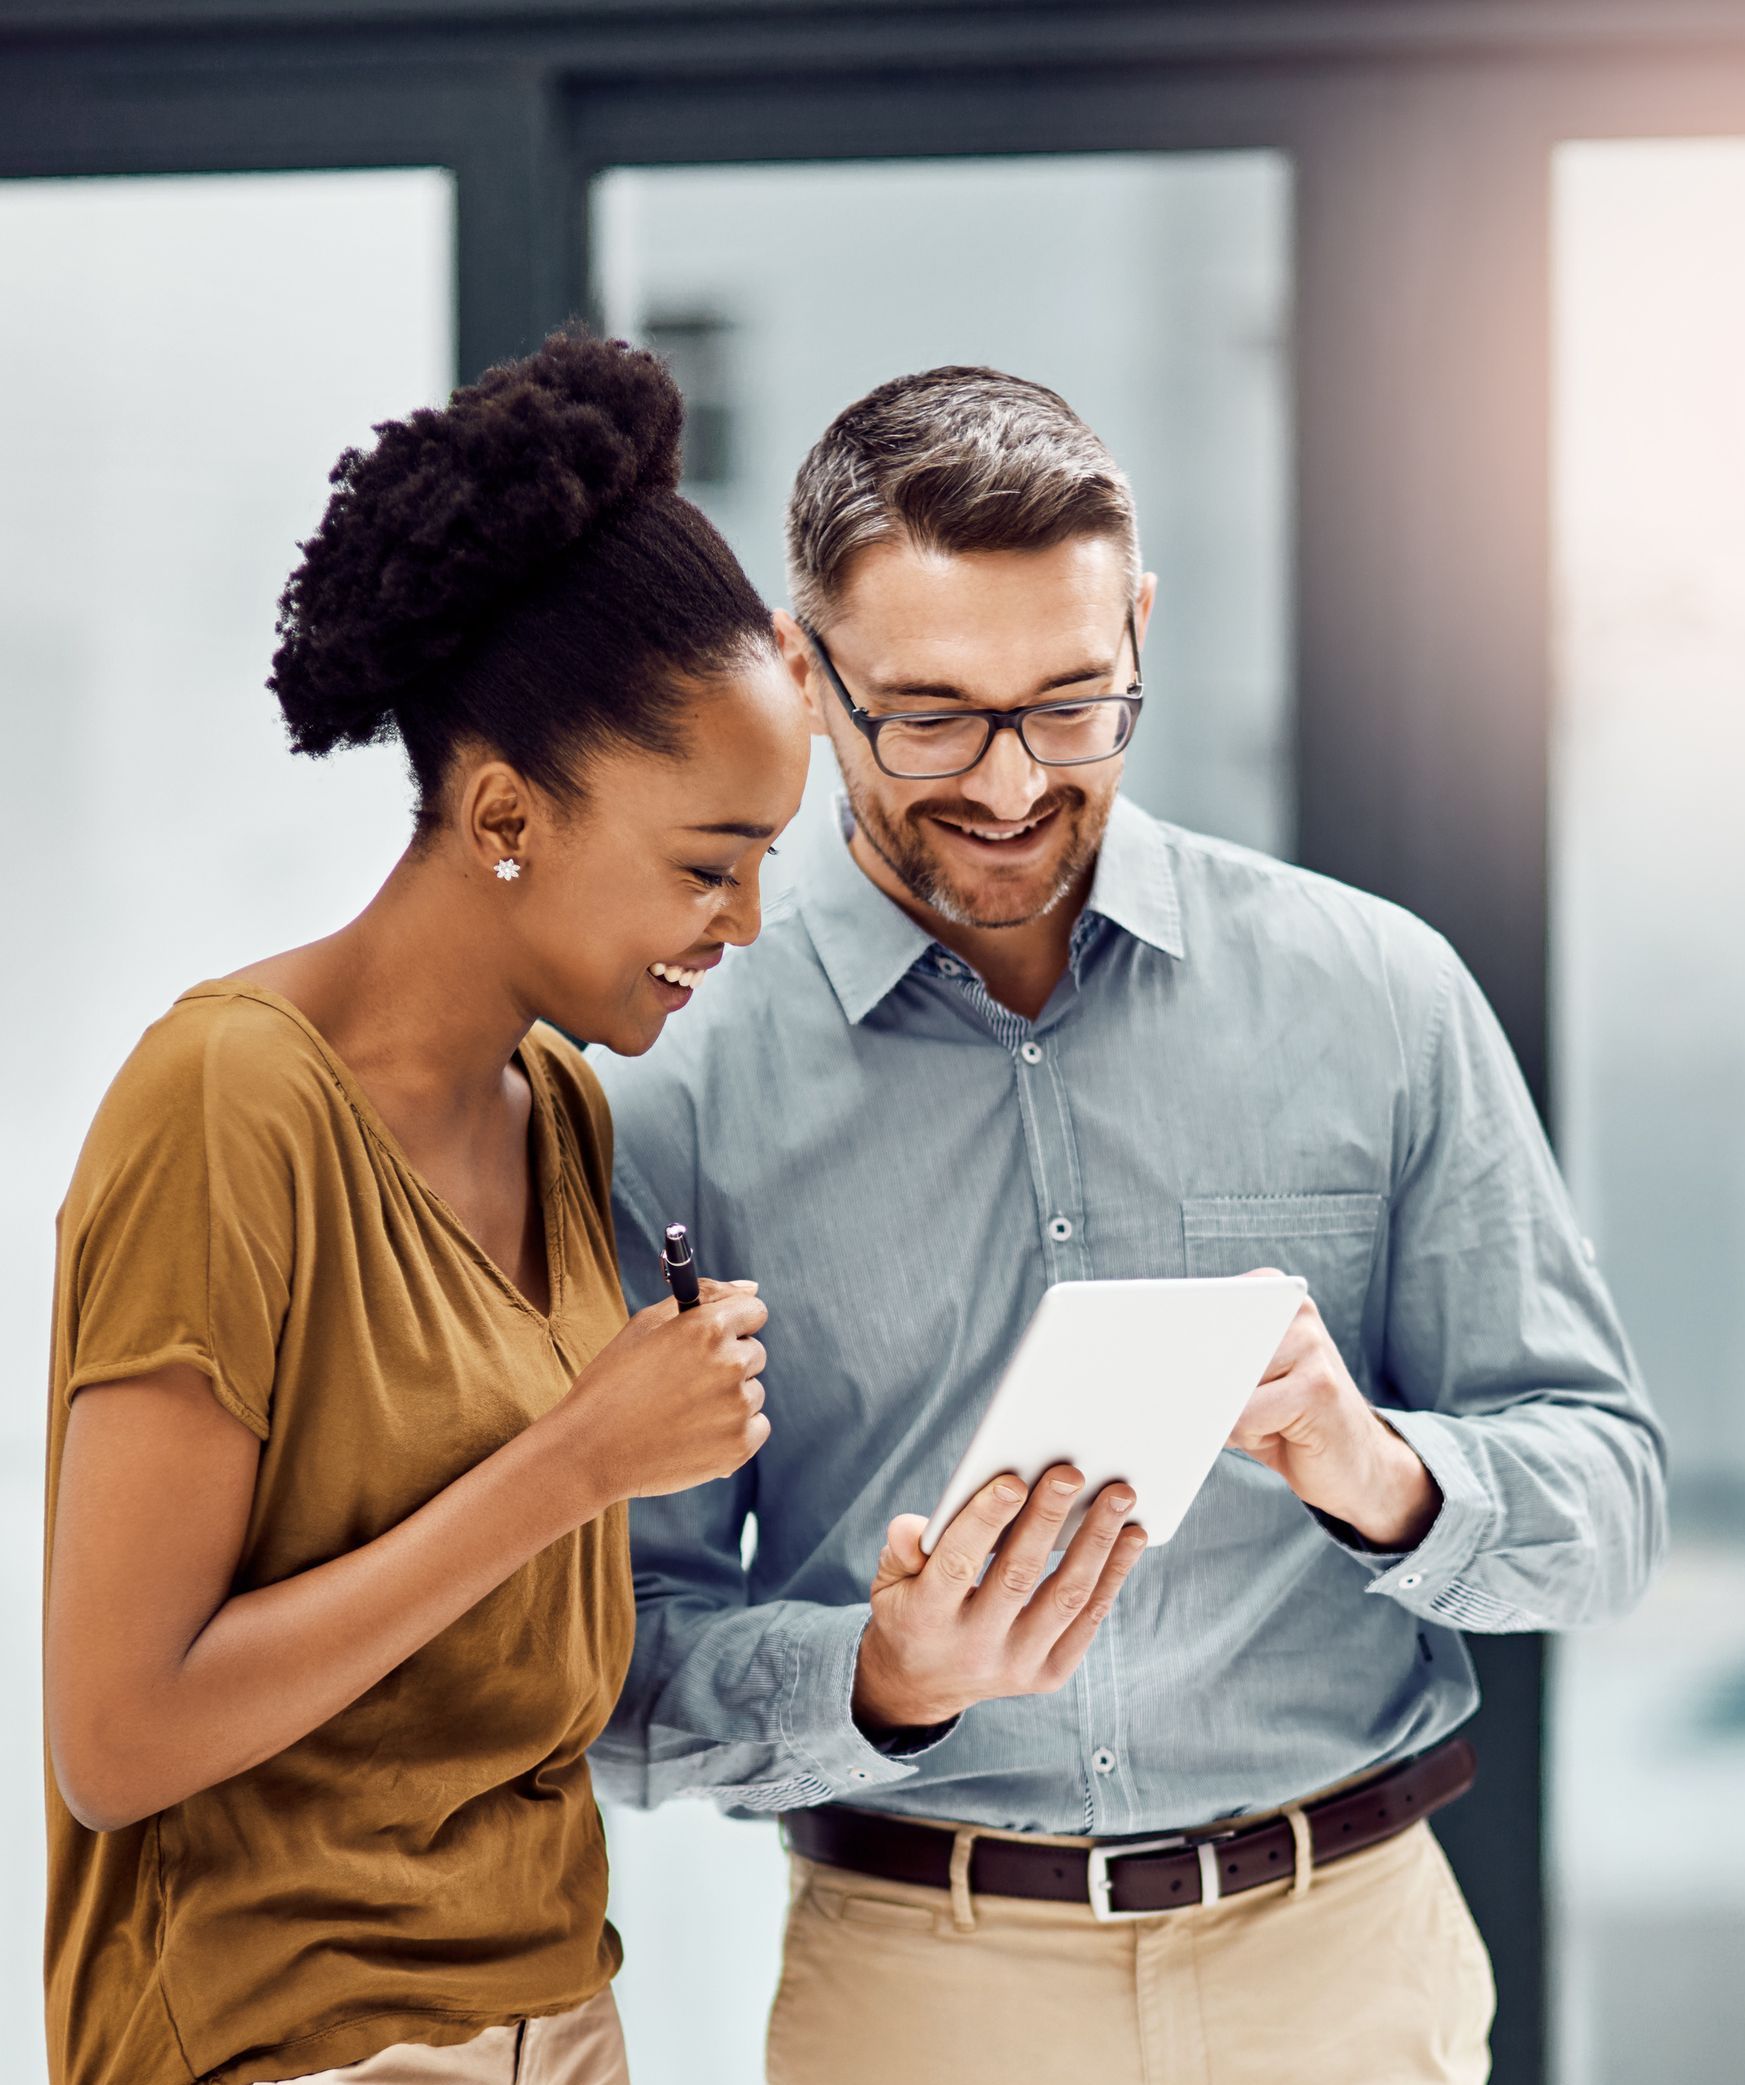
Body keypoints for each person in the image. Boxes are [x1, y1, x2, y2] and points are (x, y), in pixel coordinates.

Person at [589, 366, 1668, 2084]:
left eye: (1074, 703)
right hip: (919, 1989)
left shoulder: (1373, 993)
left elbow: (1607, 1503)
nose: (1010, 784)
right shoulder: (673, 1084)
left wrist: (1371, 1467)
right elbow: (612, 1666)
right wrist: (875, 1676)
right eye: (928, 716)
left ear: (1139, 630)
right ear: (803, 673)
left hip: (1341, 1963)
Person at [42, 330, 806, 2085]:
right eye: (707, 863)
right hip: (293, 2044)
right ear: (503, 813)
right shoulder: (229, 1105)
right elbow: (118, 1731)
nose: (743, 924)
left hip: (559, 2016)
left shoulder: (558, 1117)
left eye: (767, 863)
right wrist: (577, 1463)